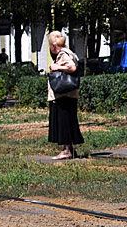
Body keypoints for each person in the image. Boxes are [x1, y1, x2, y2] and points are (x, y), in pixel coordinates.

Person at [47, 30, 83, 159]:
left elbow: (72, 67)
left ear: (53, 46)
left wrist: (57, 67)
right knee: (68, 121)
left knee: (64, 121)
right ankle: (70, 150)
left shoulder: (63, 54)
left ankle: (66, 150)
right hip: (70, 94)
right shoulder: (70, 52)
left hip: (64, 94)